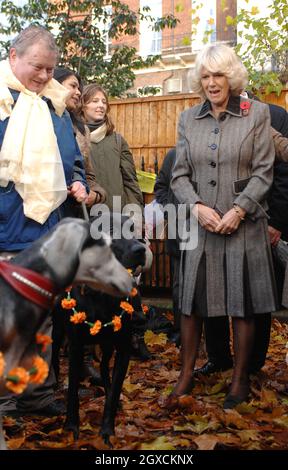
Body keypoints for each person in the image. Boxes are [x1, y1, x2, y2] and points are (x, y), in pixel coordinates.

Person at [170, 43, 277, 409]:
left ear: (231, 77)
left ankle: (239, 378)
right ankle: (185, 374)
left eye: (218, 75)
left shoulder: (257, 114)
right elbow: (179, 176)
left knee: (242, 302)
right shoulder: (187, 119)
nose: (212, 83)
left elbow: (264, 172)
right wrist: (197, 207)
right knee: (191, 303)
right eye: (205, 76)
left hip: (243, 226)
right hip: (202, 225)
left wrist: (239, 210)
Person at [0, 26, 88, 416]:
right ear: (13, 56)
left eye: (50, 70)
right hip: (6, 228)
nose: (44, 77)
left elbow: (74, 162)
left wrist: (79, 182)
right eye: (37, 67)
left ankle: (35, 396)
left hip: (47, 231)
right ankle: (5, 401)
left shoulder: (55, 109)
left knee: (41, 320)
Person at [194, 103, 288, 378]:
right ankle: (219, 358)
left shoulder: (274, 116)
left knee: (254, 295)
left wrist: (276, 223)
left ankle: (252, 364)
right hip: (214, 220)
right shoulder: (204, 116)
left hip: (258, 220)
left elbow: (282, 175)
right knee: (214, 293)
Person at [81, 84, 143, 216]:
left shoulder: (117, 141)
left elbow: (130, 182)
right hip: (84, 216)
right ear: (83, 105)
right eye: (95, 101)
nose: (101, 105)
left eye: (104, 102)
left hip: (118, 217)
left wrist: (136, 215)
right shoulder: (73, 137)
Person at [53, 67, 106, 211]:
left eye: (79, 88)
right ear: (55, 84)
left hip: (73, 210)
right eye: (73, 86)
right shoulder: (38, 114)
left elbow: (86, 173)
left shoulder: (80, 129)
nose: (78, 92)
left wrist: (96, 194)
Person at [154, 148, 181, 346]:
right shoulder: (173, 155)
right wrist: (169, 209)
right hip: (178, 231)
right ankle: (181, 331)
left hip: (207, 230)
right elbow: (160, 186)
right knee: (179, 285)